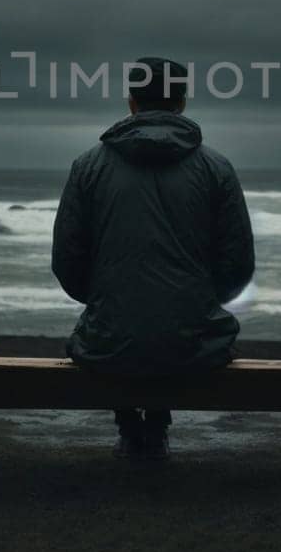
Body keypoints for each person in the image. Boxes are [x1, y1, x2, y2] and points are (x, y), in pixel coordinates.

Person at [51, 56, 255, 460]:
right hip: (194, 341)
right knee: (173, 326)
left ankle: (130, 427)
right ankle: (157, 424)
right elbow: (238, 263)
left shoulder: (88, 167)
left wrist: (101, 296)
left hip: (109, 339)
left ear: (131, 102)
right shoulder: (216, 168)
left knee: (117, 329)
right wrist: (203, 298)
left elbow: (67, 260)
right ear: (181, 103)